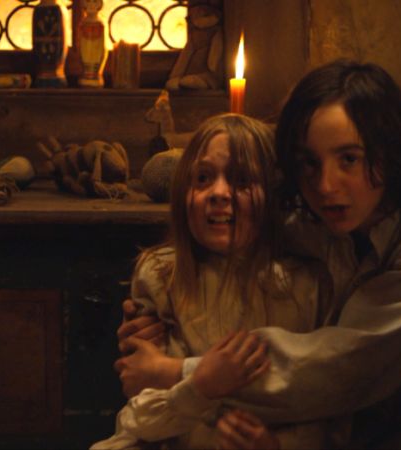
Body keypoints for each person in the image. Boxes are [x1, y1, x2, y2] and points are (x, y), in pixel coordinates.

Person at [115, 59, 401, 448]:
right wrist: (153, 314)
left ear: (388, 150)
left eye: (348, 159)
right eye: (310, 163)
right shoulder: (322, 216)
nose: (326, 185)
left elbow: (341, 368)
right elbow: (234, 229)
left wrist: (175, 372)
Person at [92, 114, 346, 449]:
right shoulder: (162, 273)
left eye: (241, 180)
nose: (219, 193)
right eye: (203, 178)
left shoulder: (309, 285)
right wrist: (199, 388)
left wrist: (275, 445)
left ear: (272, 195)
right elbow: (141, 408)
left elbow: (324, 408)